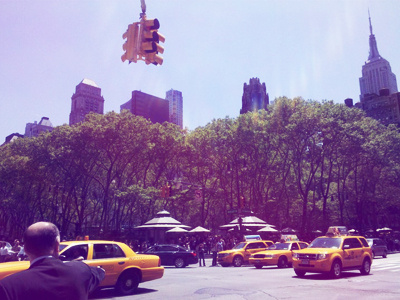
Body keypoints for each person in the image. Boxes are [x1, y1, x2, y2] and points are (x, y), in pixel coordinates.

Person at [0, 222, 105, 300]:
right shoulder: (81, 270)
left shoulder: (8, 287)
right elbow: (100, 272)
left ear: (26, 249)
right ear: (57, 246)